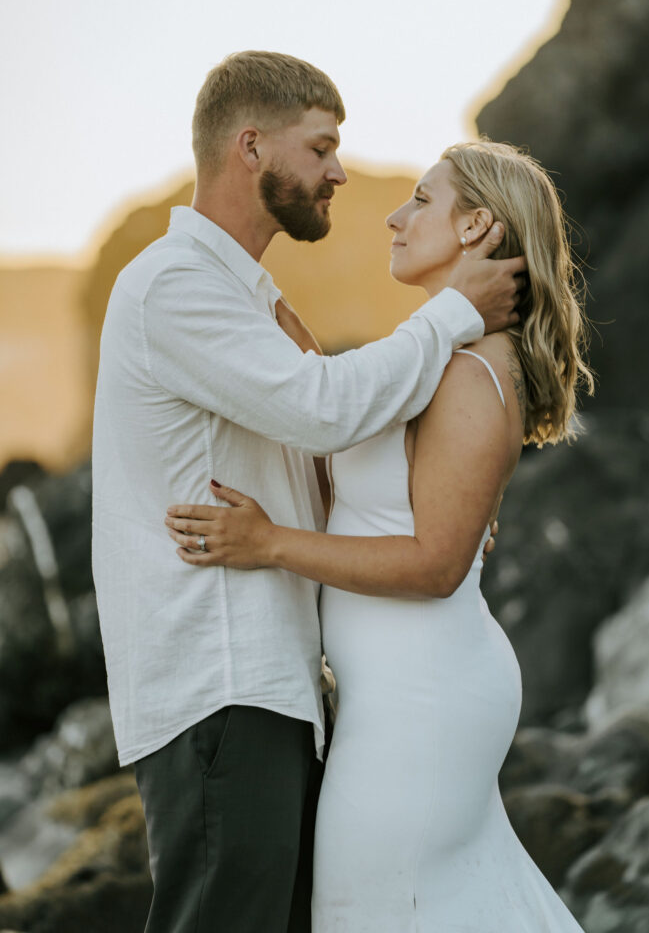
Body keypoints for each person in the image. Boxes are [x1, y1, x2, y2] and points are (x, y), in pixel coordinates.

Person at [91, 52, 525, 933]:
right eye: (320, 146)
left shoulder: (248, 301)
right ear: (250, 146)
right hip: (217, 685)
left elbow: (312, 463)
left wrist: (425, 509)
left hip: (276, 689)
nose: (337, 171)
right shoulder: (176, 288)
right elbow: (322, 412)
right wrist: (453, 312)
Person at [165, 138, 593, 931]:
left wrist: (268, 544)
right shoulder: (441, 360)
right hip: (399, 695)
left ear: (475, 229)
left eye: (422, 202)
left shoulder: (470, 375)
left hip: (421, 700)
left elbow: (433, 564)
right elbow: (362, 470)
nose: (395, 218)